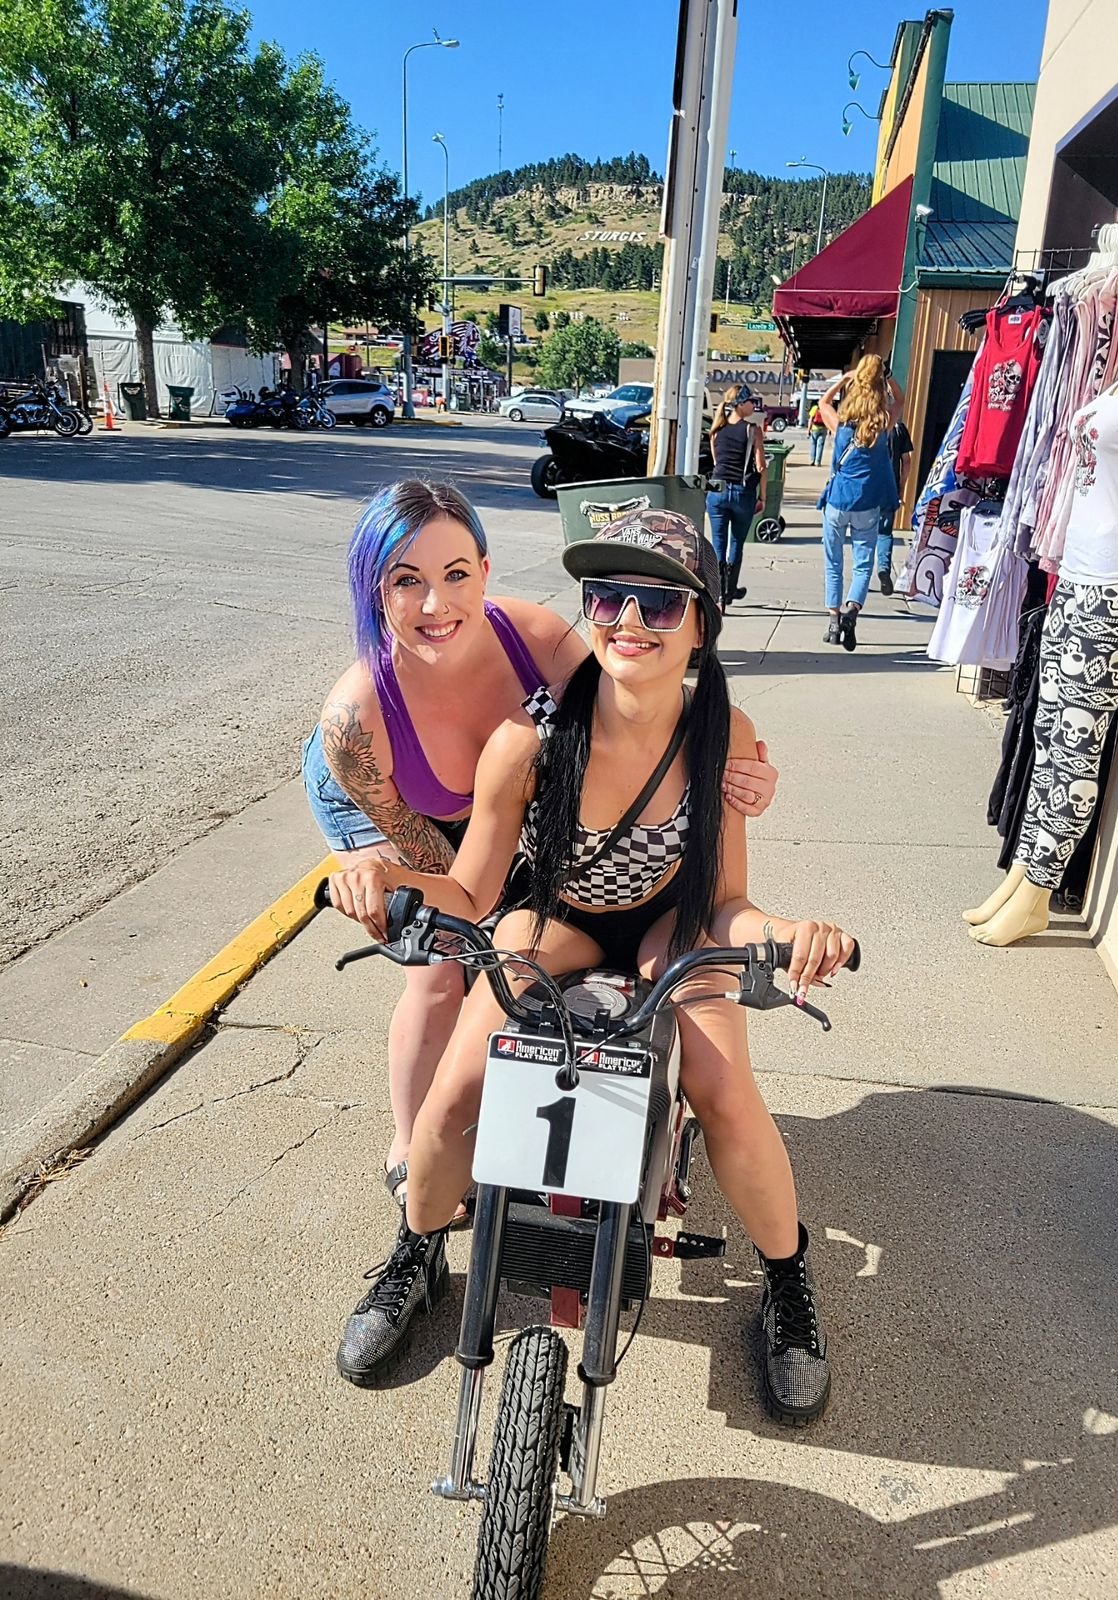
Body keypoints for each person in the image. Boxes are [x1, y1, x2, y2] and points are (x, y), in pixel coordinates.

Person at [326, 506, 855, 1424]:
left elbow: (728, 899)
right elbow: (471, 888)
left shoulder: (722, 732)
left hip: (673, 922)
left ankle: (787, 1280)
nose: (629, 620)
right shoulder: (528, 741)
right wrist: (381, 873)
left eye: (660, 603)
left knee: (725, 1091)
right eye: (607, 597)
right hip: (558, 914)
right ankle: (417, 1250)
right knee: (458, 1091)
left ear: (701, 624)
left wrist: (790, 930)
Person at [817, 356, 905, 651]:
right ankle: (852, 612)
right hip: (867, 504)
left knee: (833, 562)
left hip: (838, 501)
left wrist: (844, 379)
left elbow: (823, 403)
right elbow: (900, 399)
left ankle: (833, 622)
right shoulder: (883, 425)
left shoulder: (841, 424)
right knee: (863, 563)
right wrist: (886, 377)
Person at [705, 384, 767, 609]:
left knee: (718, 545)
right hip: (742, 493)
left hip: (717, 492)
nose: (753, 405)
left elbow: (717, 462)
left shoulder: (716, 430)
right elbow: (761, 467)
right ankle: (730, 590)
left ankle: (719, 595)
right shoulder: (753, 430)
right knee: (736, 543)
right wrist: (763, 497)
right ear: (740, 404)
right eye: (751, 401)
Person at [876, 418, 914, 595]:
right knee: (884, 533)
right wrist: (901, 487)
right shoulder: (899, 428)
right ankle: (884, 569)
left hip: (868, 488)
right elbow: (906, 461)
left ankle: (862, 575)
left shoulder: (868, 423)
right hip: (889, 488)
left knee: (863, 534)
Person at [807, 398, 828, 466]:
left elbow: (810, 419)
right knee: (820, 445)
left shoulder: (815, 408)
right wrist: (829, 430)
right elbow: (828, 419)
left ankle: (812, 460)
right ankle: (818, 462)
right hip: (824, 428)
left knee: (813, 444)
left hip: (815, 428)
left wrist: (808, 430)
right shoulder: (826, 408)